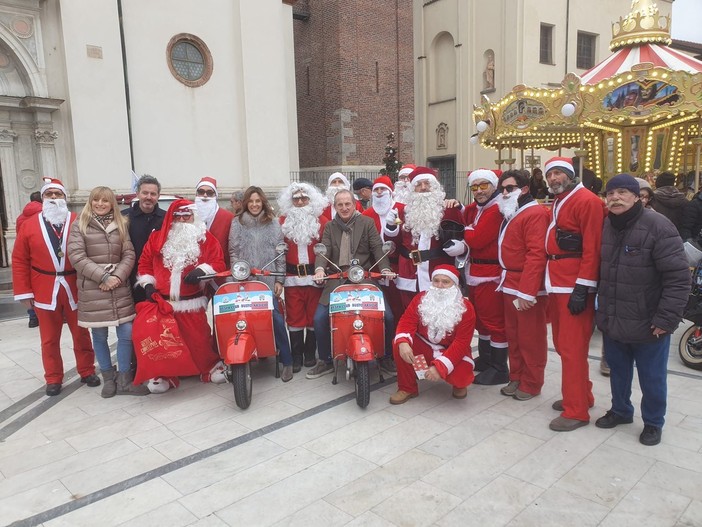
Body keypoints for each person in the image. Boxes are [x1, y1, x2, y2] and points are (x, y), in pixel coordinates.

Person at [595, 174, 689, 446]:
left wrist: (666, 318)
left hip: (649, 322)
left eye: (622, 192)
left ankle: (653, 422)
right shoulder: (606, 226)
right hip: (614, 318)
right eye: (610, 193)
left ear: (638, 196)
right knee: (618, 372)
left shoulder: (658, 226)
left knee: (652, 378)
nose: (615, 198)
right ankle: (621, 410)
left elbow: (678, 277)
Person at [12, 178, 99, 396]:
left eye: (57, 194)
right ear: (42, 198)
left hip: (74, 285)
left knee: (81, 333)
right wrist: (24, 292)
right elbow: (20, 259)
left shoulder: (77, 221)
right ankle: (53, 377)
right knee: (49, 338)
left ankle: (87, 370)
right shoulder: (29, 225)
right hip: (44, 287)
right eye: (49, 194)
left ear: (65, 198)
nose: (53, 198)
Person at [136, 199, 227, 392]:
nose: (182, 220)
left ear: (194, 217)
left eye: (187, 216)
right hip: (164, 302)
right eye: (177, 217)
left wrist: (203, 270)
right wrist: (148, 284)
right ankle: (166, 375)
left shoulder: (205, 238)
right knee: (166, 341)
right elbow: (144, 263)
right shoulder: (157, 239)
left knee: (199, 338)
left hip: (192, 302)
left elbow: (218, 262)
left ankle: (208, 367)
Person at [67, 186, 149, 397]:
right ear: (91, 202)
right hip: (94, 290)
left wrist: (117, 277)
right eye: (96, 200)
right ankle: (108, 379)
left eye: (105, 201)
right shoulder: (80, 225)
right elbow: (77, 256)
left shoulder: (121, 223)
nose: (100, 204)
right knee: (100, 335)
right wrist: (103, 277)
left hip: (118, 288)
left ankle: (124, 378)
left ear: (112, 203)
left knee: (126, 333)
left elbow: (129, 254)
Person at [544, 156, 606, 432]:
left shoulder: (588, 201)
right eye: (549, 175)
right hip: (558, 281)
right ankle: (582, 396)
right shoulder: (562, 200)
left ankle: (576, 411)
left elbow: (592, 247)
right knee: (563, 344)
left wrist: (583, 287)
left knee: (571, 349)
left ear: (570, 174)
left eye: (558, 173)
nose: (553, 179)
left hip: (572, 284)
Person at [306, 189, 396, 379]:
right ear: (335, 207)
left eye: (348, 204)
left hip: (364, 277)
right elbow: (324, 250)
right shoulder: (330, 227)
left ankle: (386, 356)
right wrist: (320, 269)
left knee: (387, 316)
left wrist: (385, 269)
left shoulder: (367, 222)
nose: (344, 208)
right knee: (320, 319)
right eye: (340, 204)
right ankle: (326, 360)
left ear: (354, 204)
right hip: (337, 280)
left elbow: (377, 249)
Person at [229, 186, 294, 381]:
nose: (255, 205)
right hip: (245, 281)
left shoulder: (273, 223)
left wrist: (279, 279)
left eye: (258, 201)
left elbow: (281, 252)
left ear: (263, 202)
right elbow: (233, 250)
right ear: (246, 203)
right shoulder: (237, 223)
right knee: (240, 319)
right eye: (251, 201)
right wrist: (238, 274)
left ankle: (287, 361)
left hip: (267, 280)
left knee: (275, 318)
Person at [495, 170, 549, 401]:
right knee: (514, 335)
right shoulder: (513, 212)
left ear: (524, 189)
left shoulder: (534, 213)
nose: (505, 193)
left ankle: (532, 382)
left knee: (531, 338)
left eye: (510, 188)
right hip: (509, 282)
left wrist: (528, 291)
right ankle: (516, 375)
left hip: (526, 286)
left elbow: (537, 254)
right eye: (502, 189)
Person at [390, 265, 476, 403]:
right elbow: (407, 321)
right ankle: (407, 388)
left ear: (455, 284)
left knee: (461, 378)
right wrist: (403, 342)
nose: (440, 285)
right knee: (399, 344)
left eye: (445, 282)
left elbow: (462, 343)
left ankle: (457, 384)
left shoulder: (466, 308)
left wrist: (440, 367)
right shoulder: (421, 298)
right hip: (425, 346)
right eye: (436, 281)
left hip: (452, 351)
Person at [384, 166, 465, 308]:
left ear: (434, 187)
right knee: (410, 311)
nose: (423, 188)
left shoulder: (449, 210)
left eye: (427, 183)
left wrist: (461, 246)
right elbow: (394, 243)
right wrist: (391, 226)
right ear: (412, 189)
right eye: (418, 185)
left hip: (438, 273)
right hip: (409, 273)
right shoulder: (402, 211)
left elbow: (463, 235)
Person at [460, 169, 508, 385]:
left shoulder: (496, 209)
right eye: (475, 187)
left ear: (494, 185)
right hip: (476, 272)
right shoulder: (481, 208)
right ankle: (487, 358)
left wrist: (468, 230)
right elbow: (467, 213)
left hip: (491, 274)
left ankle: (499, 368)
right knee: (481, 320)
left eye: (483, 186)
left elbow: (477, 239)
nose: (479, 191)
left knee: (494, 322)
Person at [278, 182, 328, 371]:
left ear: (311, 200)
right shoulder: (282, 222)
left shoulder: (322, 221)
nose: (299, 202)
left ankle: (310, 353)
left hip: (315, 277)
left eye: (304, 198)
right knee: (294, 316)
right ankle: (296, 354)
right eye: (296, 199)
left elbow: (327, 248)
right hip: (292, 277)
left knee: (313, 316)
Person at [363, 175, 404, 326]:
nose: (379, 192)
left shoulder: (402, 209)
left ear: (390, 192)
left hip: (397, 267)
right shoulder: (366, 215)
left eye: (383, 189)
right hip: (375, 269)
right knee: (378, 309)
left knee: (399, 306)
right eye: (376, 189)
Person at [122, 174, 166, 304]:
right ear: (137, 193)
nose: (148, 197)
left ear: (158, 196)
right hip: (130, 280)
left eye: (153, 194)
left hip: (158, 280)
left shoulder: (166, 219)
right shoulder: (123, 217)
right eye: (145, 193)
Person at [16, 190, 43, 328]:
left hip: (27, 257)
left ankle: (32, 317)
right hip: (40, 256)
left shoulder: (21, 217)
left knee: (30, 287)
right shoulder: (43, 215)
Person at [195, 177, 235, 268]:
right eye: (201, 192)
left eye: (209, 193)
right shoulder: (188, 217)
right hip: (193, 274)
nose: (205, 196)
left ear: (215, 195)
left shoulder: (228, 217)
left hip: (220, 273)